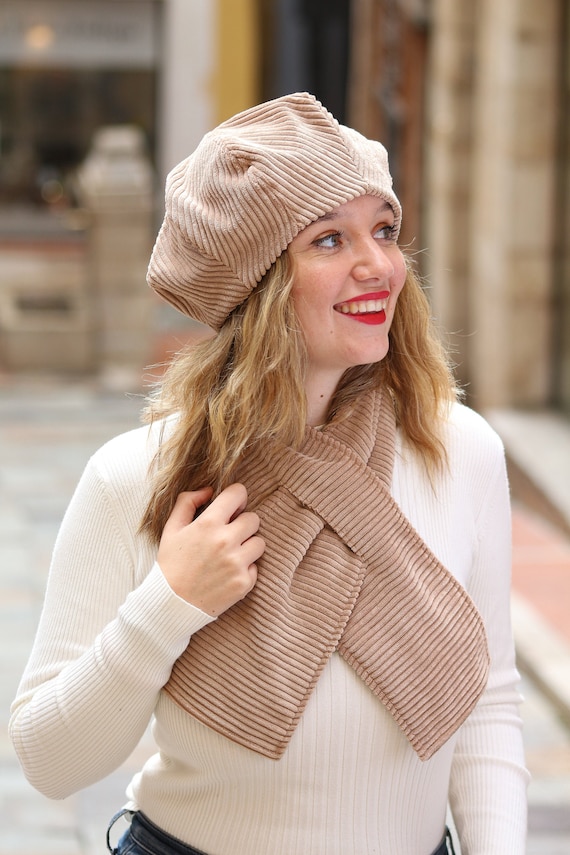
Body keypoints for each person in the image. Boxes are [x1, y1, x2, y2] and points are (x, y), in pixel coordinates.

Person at [10, 92, 528, 855]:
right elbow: (50, 761)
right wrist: (169, 604)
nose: (377, 265)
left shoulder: (458, 452)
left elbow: (486, 703)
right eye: (328, 240)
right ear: (255, 285)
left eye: (383, 231)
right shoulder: (137, 477)